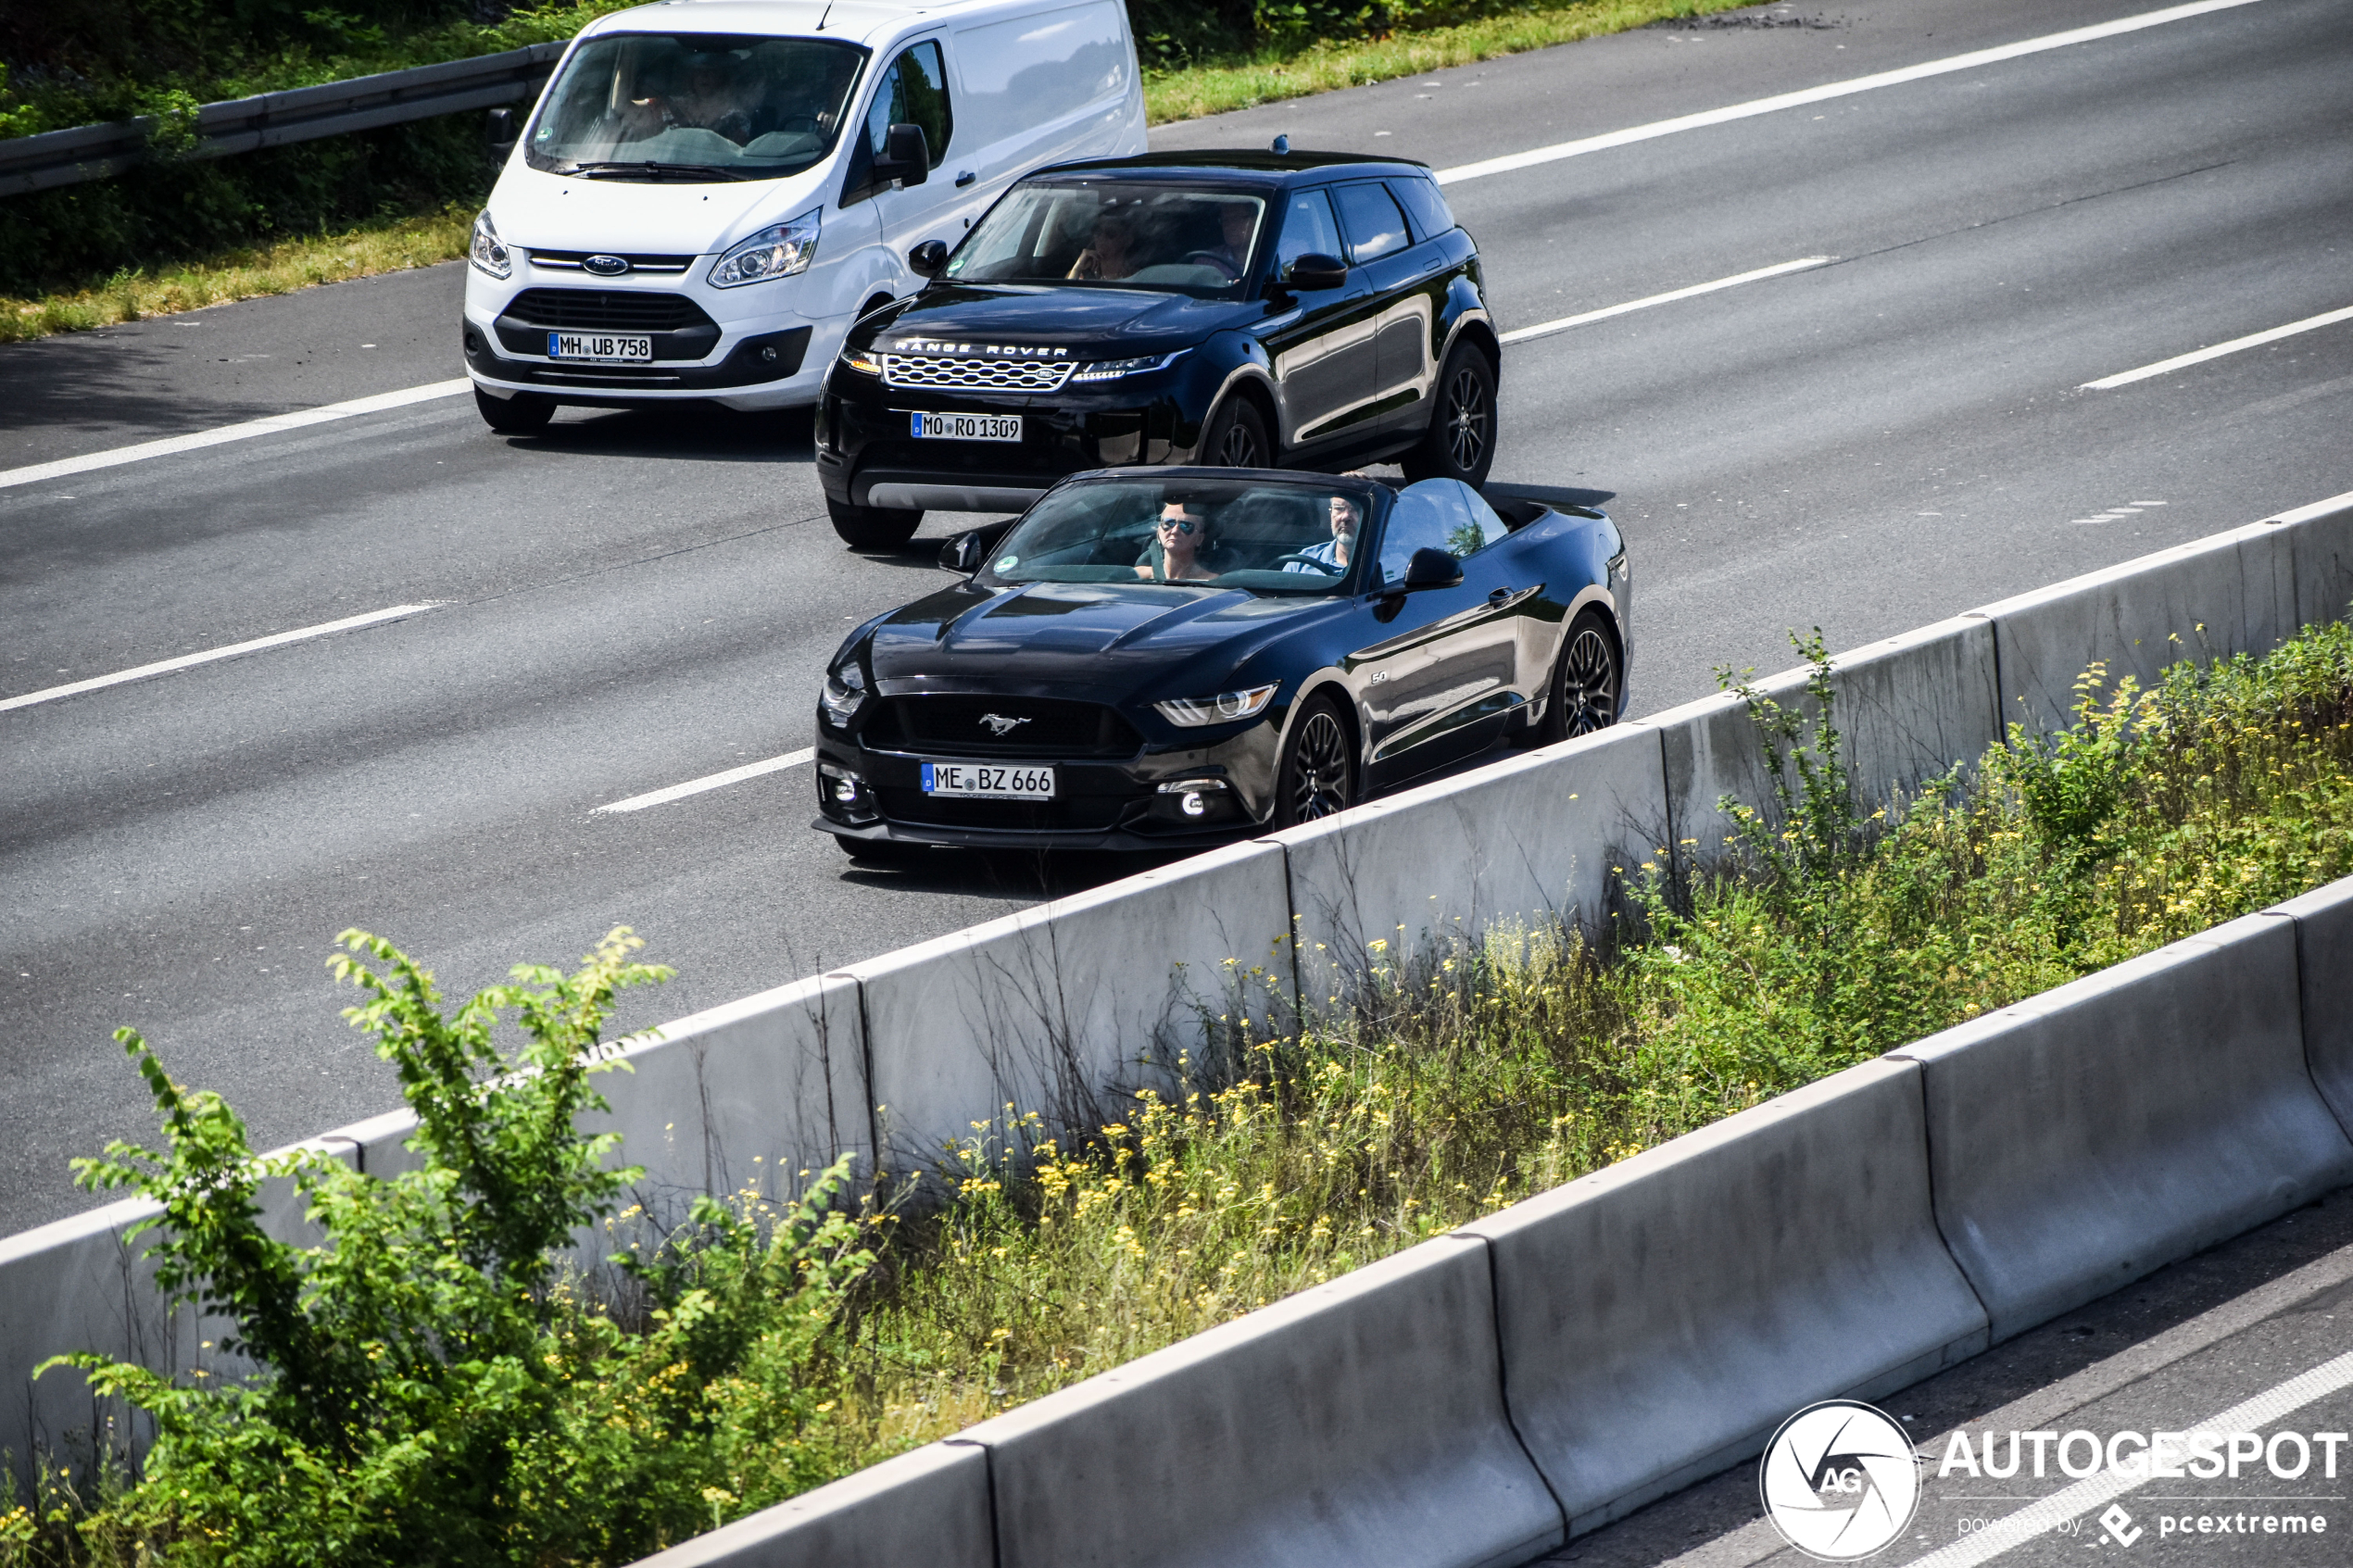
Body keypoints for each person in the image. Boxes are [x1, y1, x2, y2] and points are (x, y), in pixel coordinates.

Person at [1137, 498, 1220, 581]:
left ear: (1199, 539)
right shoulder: (1137, 577)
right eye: (1169, 523)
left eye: (1185, 526)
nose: (1175, 531)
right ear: (1159, 532)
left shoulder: (1211, 582)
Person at [1283, 493, 1361, 575]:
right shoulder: (1299, 565)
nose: (1345, 517)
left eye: (1355, 509)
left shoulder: (1375, 566)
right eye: (1339, 508)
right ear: (1331, 513)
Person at [1068, 205, 1139, 281]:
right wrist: (1077, 268)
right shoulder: (1080, 273)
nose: (1101, 237)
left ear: (1128, 240)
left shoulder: (1137, 276)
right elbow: (1066, 291)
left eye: (1110, 233)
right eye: (1098, 231)